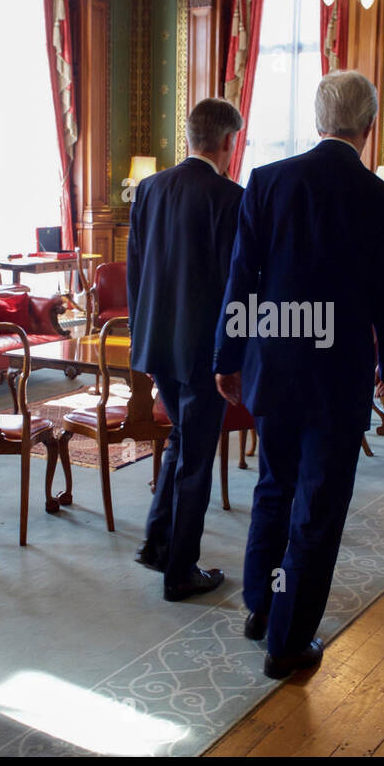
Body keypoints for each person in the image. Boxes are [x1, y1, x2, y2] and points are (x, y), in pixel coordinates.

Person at [213, 70, 384, 678]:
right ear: (369, 127)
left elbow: (242, 276)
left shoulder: (268, 181)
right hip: (338, 376)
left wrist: (228, 356)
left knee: (274, 486)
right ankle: (287, 641)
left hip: (273, 365)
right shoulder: (382, 201)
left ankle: (259, 607)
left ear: (318, 119)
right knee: (320, 502)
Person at [127, 98, 245, 601]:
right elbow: (234, 288)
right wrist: (232, 357)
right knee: (196, 457)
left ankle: (157, 545)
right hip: (203, 355)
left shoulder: (149, 189)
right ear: (225, 141)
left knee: (181, 442)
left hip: (157, 346)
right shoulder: (230, 198)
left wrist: (142, 339)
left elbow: (136, 272)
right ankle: (181, 572)